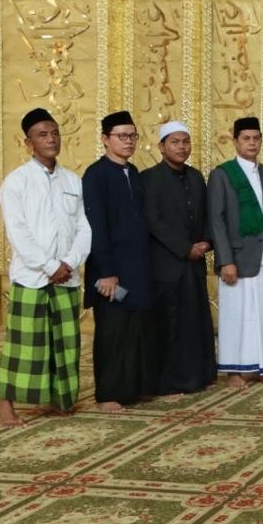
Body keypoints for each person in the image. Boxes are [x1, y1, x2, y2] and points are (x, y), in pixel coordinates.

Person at [0, 108, 92, 427]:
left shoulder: (72, 180)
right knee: (24, 344)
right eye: (42, 134)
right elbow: (18, 232)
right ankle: (6, 406)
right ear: (28, 142)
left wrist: (69, 262)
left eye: (54, 133)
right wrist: (50, 265)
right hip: (32, 277)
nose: (51, 139)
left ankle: (59, 400)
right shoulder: (16, 182)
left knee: (64, 343)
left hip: (66, 276)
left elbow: (84, 227)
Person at [83, 111, 158, 412]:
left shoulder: (134, 172)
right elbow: (96, 227)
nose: (128, 142)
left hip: (137, 266)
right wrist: (108, 272)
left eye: (132, 136)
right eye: (121, 136)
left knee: (136, 330)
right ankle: (108, 394)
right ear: (105, 139)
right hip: (110, 269)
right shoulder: (95, 175)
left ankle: (133, 388)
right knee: (112, 334)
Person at [207, 116, 263, 389]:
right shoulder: (223, 174)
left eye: (256, 138)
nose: (252, 143)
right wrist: (225, 260)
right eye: (246, 139)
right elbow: (216, 220)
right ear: (235, 141)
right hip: (237, 259)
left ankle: (260, 367)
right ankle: (234, 371)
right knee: (236, 316)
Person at [142, 121, 216, 394]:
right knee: (168, 324)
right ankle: (168, 382)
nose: (181, 147)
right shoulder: (149, 178)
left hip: (194, 264)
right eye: (175, 142)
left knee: (194, 322)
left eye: (185, 142)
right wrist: (185, 248)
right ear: (161, 147)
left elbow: (207, 213)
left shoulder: (196, 176)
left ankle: (197, 376)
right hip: (166, 265)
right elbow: (153, 221)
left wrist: (207, 241)